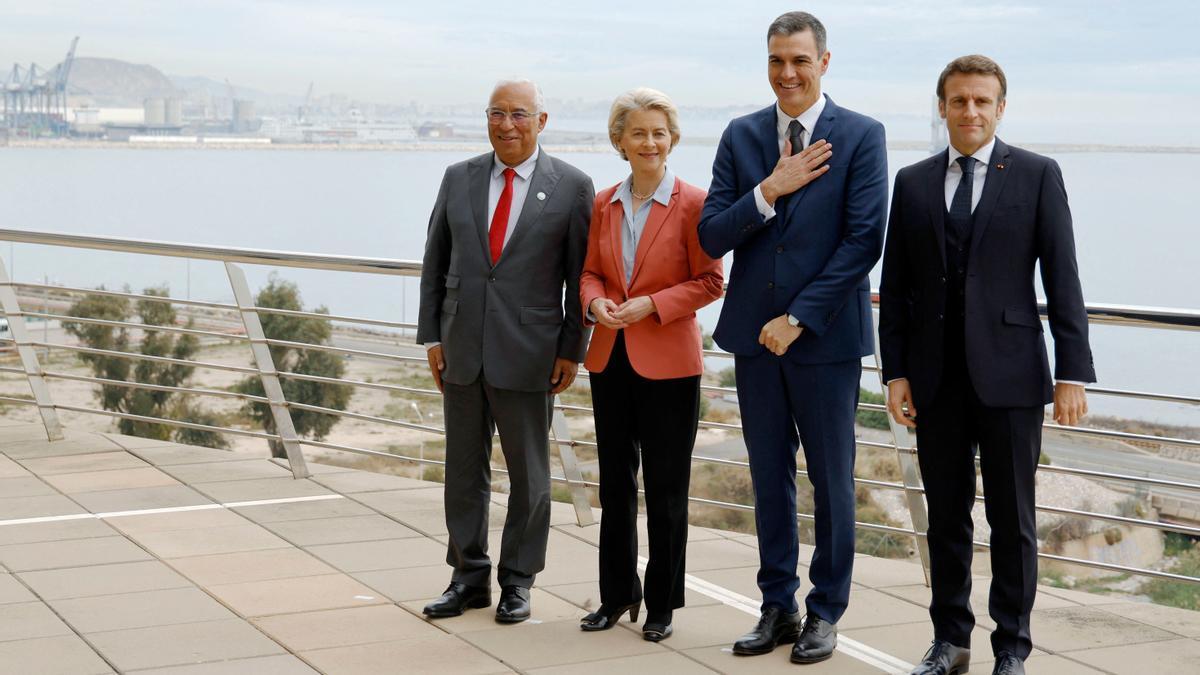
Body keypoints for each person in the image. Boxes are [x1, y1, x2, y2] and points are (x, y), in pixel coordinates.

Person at [879, 55, 1094, 675]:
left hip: (1012, 376)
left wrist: (1071, 371)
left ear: (1000, 108)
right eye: (958, 101)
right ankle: (950, 642)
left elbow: (1063, 276)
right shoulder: (913, 182)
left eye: (981, 101)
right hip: (934, 380)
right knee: (946, 518)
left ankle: (1012, 649)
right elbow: (896, 287)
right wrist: (896, 371)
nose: (969, 111)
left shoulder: (1036, 174)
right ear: (942, 107)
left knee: (1013, 521)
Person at [697, 11, 887, 665]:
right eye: (777, 61)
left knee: (832, 480)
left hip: (825, 340)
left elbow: (864, 239)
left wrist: (798, 316)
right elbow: (712, 234)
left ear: (824, 62)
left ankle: (824, 610)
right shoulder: (741, 134)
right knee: (768, 477)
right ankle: (776, 605)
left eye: (800, 60)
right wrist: (768, 190)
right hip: (754, 341)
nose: (788, 73)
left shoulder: (862, 136)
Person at [416, 78, 595, 624]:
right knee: (463, 472)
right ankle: (468, 578)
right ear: (486, 118)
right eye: (497, 113)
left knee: (531, 477)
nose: (507, 124)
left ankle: (518, 581)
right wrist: (434, 335)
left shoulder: (572, 186)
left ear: (542, 122)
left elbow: (578, 276)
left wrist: (572, 349)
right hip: (462, 349)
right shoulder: (458, 177)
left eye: (519, 114)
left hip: (531, 351)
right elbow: (435, 259)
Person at [578, 87, 724, 642]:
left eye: (658, 132)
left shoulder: (695, 202)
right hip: (610, 356)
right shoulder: (602, 203)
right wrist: (595, 303)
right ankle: (617, 596)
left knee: (666, 489)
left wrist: (654, 305)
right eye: (637, 132)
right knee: (614, 485)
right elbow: (590, 271)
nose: (649, 142)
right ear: (620, 141)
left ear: (674, 139)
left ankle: (661, 605)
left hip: (670, 364)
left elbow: (712, 280)